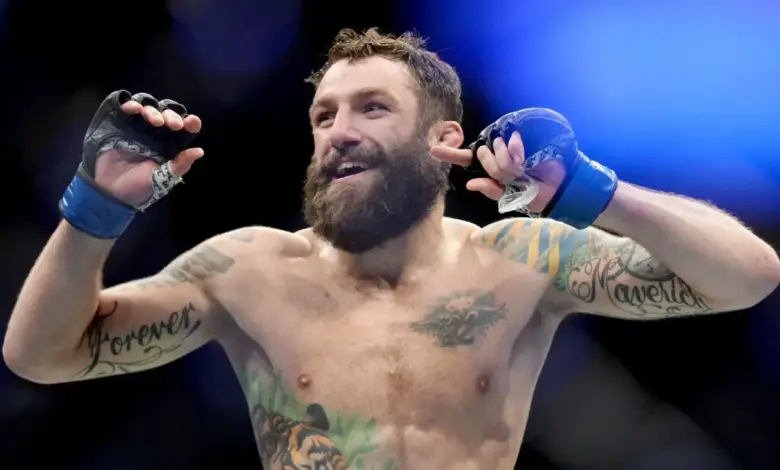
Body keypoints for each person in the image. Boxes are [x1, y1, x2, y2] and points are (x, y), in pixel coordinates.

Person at [3, 28, 779, 470]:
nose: (338, 132)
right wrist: (96, 209)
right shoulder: (247, 270)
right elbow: (40, 355)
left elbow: (746, 276)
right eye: (324, 116)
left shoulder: (519, 260)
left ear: (444, 140)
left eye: (371, 108)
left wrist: (595, 192)